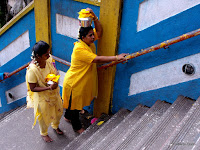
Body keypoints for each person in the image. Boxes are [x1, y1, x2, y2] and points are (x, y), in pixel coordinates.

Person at [62, 8, 128, 134]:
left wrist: (95, 18)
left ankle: (67, 117)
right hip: (74, 83)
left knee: (73, 104)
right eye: (90, 35)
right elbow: (96, 59)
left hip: (79, 81)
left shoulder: (88, 43)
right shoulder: (79, 49)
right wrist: (116, 57)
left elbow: (100, 31)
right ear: (83, 37)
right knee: (75, 107)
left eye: (92, 35)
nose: (93, 37)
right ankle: (77, 127)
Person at [26, 41, 63, 142]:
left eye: (49, 52)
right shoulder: (32, 70)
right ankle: (44, 133)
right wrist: (48, 88)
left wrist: (54, 81)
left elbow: (54, 70)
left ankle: (55, 125)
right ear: (38, 56)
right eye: (46, 54)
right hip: (43, 97)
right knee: (43, 117)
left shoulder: (49, 59)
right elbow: (33, 88)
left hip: (53, 93)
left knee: (58, 111)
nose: (49, 55)